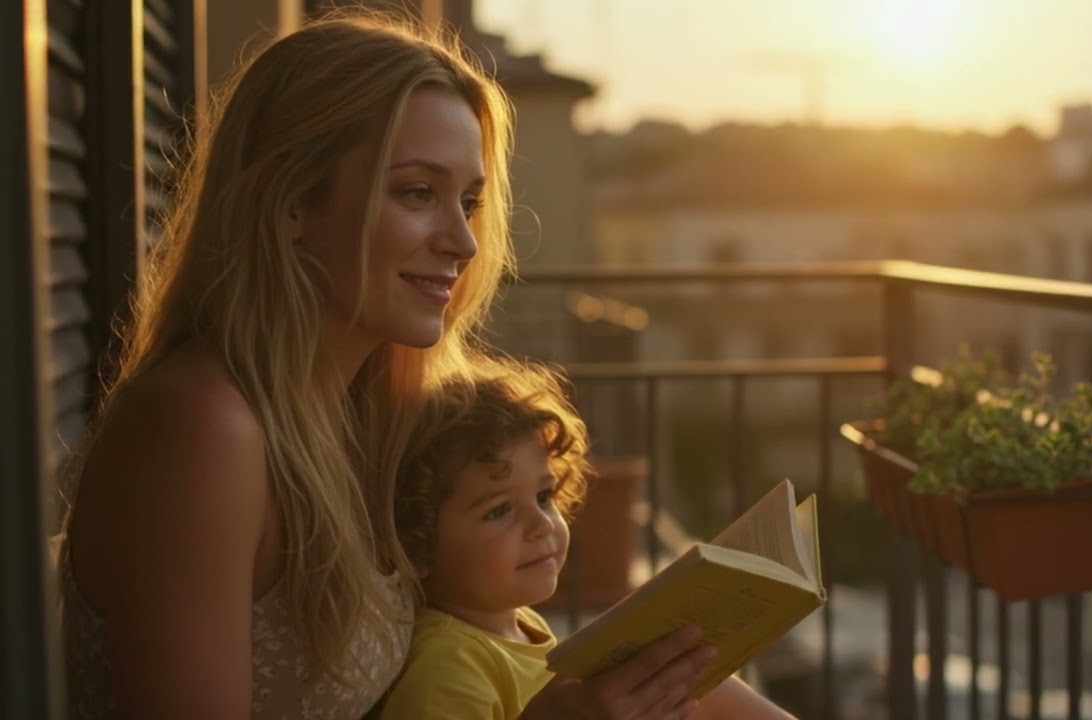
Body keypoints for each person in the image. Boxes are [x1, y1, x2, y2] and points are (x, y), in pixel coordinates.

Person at [58, 11, 713, 719]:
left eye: (469, 201)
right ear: (289, 204)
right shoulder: (202, 426)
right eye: (416, 193)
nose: (463, 242)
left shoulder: (367, 413)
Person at [379, 359, 798, 720]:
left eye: (544, 497)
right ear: (416, 544)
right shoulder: (448, 667)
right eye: (499, 510)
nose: (541, 524)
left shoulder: (520, 626)